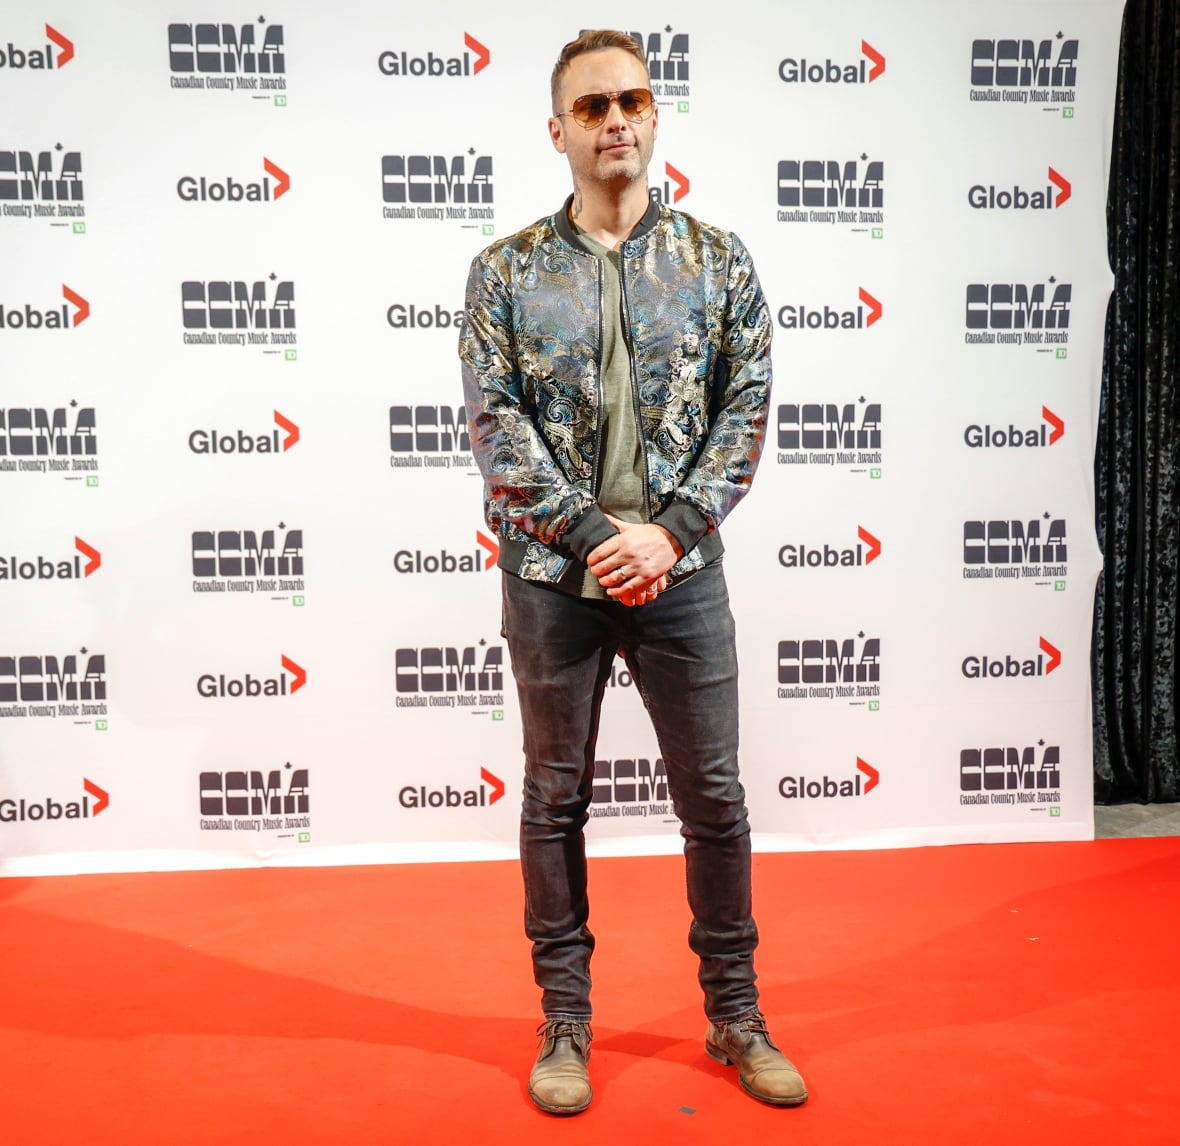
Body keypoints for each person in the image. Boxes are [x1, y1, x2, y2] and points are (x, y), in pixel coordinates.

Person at [458, 28, 805, 1115]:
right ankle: (566, 1022)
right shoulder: (503, 272)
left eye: (634, 100)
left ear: (654, 119)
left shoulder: (717, 261)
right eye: (593, 105)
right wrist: (591, 536)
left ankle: (736, 1014)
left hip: (683, 573)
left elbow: (745, 411)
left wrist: (671, 530)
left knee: (715, 798)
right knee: (555, 798)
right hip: (552, 581)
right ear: (557, 130)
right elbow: (495, 427)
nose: (617, 119)